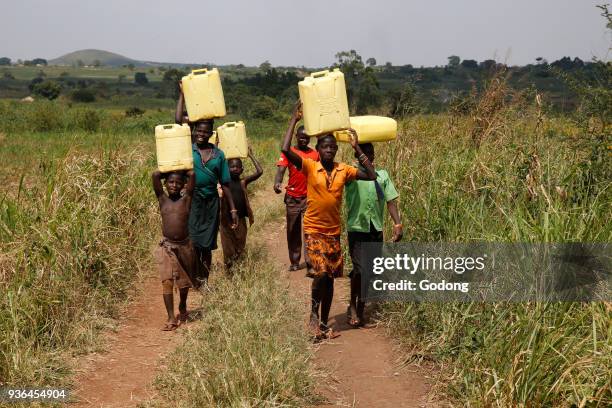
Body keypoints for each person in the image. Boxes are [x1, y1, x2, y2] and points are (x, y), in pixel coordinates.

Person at [280, 101, 376, 340]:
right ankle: (313, 314)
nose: (330, 150)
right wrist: (294, 119)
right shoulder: (310, 167)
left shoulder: (344, 170)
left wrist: (357, 149)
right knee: (321, 274)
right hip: (313, 230)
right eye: (325, 147)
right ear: (318, 149)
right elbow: (285, 149)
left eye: (333, 147)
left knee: (330, 279)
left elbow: (371, 175)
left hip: (333, 232)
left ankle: (324, 323)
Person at [175, 88, 239, 289]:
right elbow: (178, 121)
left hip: (211, 203)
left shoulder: (218, 155)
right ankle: (194, 278)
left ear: (211, 133)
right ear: (194, 131)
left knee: (207, 245)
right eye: (198, 131)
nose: (201, 134)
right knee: (193, 242)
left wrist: (233, 209)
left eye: (205, 131)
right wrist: (183, 94)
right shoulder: (188, 148)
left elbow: (226, 183)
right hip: (192, 201)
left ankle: (204, 281)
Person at [344, 143, 403, 327]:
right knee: (360, 270)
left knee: (368, 272)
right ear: (357, 154)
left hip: (375, 229)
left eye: (370, 152)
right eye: (363, 152)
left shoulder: (383, 175)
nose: (368, 156)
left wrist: (397, 223)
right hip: (356, 228)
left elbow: (390, 201)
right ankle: (353, 306)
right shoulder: (351, 173)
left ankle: (360, 307)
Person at [152, 170, 196, 331]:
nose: (174, 185)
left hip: (184, 246)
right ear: (165, 184)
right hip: (167, 247)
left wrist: (183, 169)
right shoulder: (162, 199)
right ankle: (171, 317)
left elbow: (192, 176)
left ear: (183, 184)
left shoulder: (187, 200)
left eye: (178, 182)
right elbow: (155, 176)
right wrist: (169, 168)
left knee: (184, 284)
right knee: (167, 282)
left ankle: (183, 304)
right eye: (170, 182)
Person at [274, 125, 319, 271]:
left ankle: (310, 262)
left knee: (310, 230)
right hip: (293, 197)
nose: (304, 140)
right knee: (293, 230)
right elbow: (281, 169)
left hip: (309, 197)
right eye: (301, 137)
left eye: (306, 138)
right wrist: (277, 182)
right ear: (296, 137)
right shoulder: (290, 152)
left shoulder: (315, 154)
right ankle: (294, 261)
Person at [220, 146, 263, 269]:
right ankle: (229, 270)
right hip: (226, 220)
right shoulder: (224, 183)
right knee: (227, 246)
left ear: (242, 169)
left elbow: (259, 172)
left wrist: (250, 155)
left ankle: (238, 267)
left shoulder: (243, 182)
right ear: (226, 169)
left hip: (241, 219)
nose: (234, 169)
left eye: (237, 167)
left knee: (240, 244)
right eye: (231, 167)